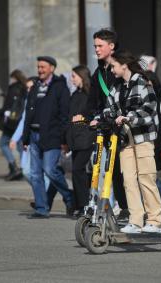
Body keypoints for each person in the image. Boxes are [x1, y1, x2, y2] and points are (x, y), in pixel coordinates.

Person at [102, 50, 161, 233]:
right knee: (128, 179)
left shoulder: (143, 83)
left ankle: (155, 221)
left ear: (123, 65)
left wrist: (129, 117)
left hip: (143, 137)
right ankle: (136, 220)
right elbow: (108, 107)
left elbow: (150, 110)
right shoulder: (117, 86)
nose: (112, 69)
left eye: (113, 66)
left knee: (146, 178)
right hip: (125, 139)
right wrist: (104, 118)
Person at [22, 56, 74, 218]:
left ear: (52, 68)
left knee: (50, 170)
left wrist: (64, 139)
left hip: (52, 136)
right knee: (35, 174)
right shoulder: (36, 86)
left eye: (43, 67)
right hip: (33, 135)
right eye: (38, 67)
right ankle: (42, 208)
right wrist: (25, 138)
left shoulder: (60, 87)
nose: (40, 70)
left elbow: (64, 115)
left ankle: (69, 197)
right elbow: (28, 113)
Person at [87, 29, 128, 221]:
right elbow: (93, 101)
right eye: (95, 45)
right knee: (108, 170)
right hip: (107, 128)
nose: (96, 49)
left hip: (125, 128)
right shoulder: (98, 73)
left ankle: (134, 209)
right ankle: (112, 210)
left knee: (127, 174)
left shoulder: (124, 68)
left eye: (99, 46)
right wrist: (87, 117)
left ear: (111, 47)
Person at [139, 55, 161, 219]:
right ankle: (158, 204)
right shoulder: (143, 101)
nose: (147, 87)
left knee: (152, 176)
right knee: (147, 175)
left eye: (149, 84)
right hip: (146, 142)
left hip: (158, 144)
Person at [66, 65, 96, 217]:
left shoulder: (89, 94)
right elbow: (69, 118)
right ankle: (79, 205)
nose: (72, 79)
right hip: (75, 139)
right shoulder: (75, 94)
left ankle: (84, 205)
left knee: (78, 169)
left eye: (74, 76)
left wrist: (84, 118)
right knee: (77, 172)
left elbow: (93, 113)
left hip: (86, 138)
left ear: (82, 77)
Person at [0, 69, 27, 181]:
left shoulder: (13, 89)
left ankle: (14, 166)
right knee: (20, 146)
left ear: (15, 78)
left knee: (3, 143)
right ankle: (23, 168)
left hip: (11, 122)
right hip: (19, 121)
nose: (10, 80)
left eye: (11, 78)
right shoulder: (24, 88)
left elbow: (8, 106)